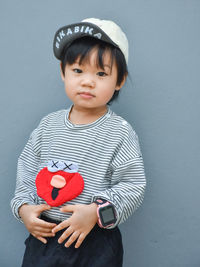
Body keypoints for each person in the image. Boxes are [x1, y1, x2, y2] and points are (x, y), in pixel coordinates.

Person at [10, 18, 146, 267]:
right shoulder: (48, 126)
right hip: (44, 238)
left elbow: (132, 186)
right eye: (78, 70)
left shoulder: (119, 132)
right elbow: (27, 170)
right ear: (63, 72)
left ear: (120, 80)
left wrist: (95, 213)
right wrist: (24, 209)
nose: (87, 81)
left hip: (93, 240)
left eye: (101, 73)